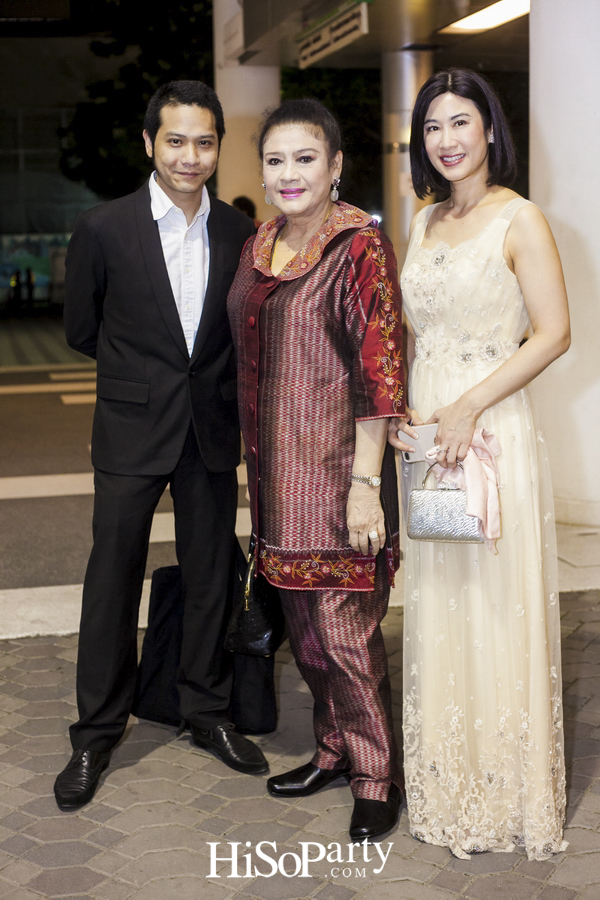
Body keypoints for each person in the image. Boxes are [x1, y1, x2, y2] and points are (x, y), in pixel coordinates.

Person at [55, 80, 268, 812]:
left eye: (204, 141)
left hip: (209, 429)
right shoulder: (103, 229)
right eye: (175, 140)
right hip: (129, 429)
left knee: (210, 574)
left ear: (218, 148)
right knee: (110, 577)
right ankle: (96, 731)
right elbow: (81, 329)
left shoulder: (242, 236)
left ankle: (205, 711)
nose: (189, 155)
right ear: (150, 143)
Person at [389, 68, 570, 859]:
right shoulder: (423, 220)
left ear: (490, 129)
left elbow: (554, 332)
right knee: (443, 596)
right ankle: (450, 781)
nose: (447, 139)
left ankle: (505, 791)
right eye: (433, 126)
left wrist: (468, 405)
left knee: (496, 604)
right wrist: (407, 411)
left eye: (460, 122)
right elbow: (414, 332)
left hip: (490, 433)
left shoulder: (520, 219)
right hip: (431, 444)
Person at [227, 98, 406, 841]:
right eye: (276, 160)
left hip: (336, 474)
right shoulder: (261, 242)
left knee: (344, 633)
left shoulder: (358, 245)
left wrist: (366, 486)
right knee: (304, 634)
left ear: (335, 166)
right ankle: (332, 750)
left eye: (306, 158)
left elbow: (382, 369)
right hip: (274, 475)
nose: (289, 172)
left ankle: (376, 773)